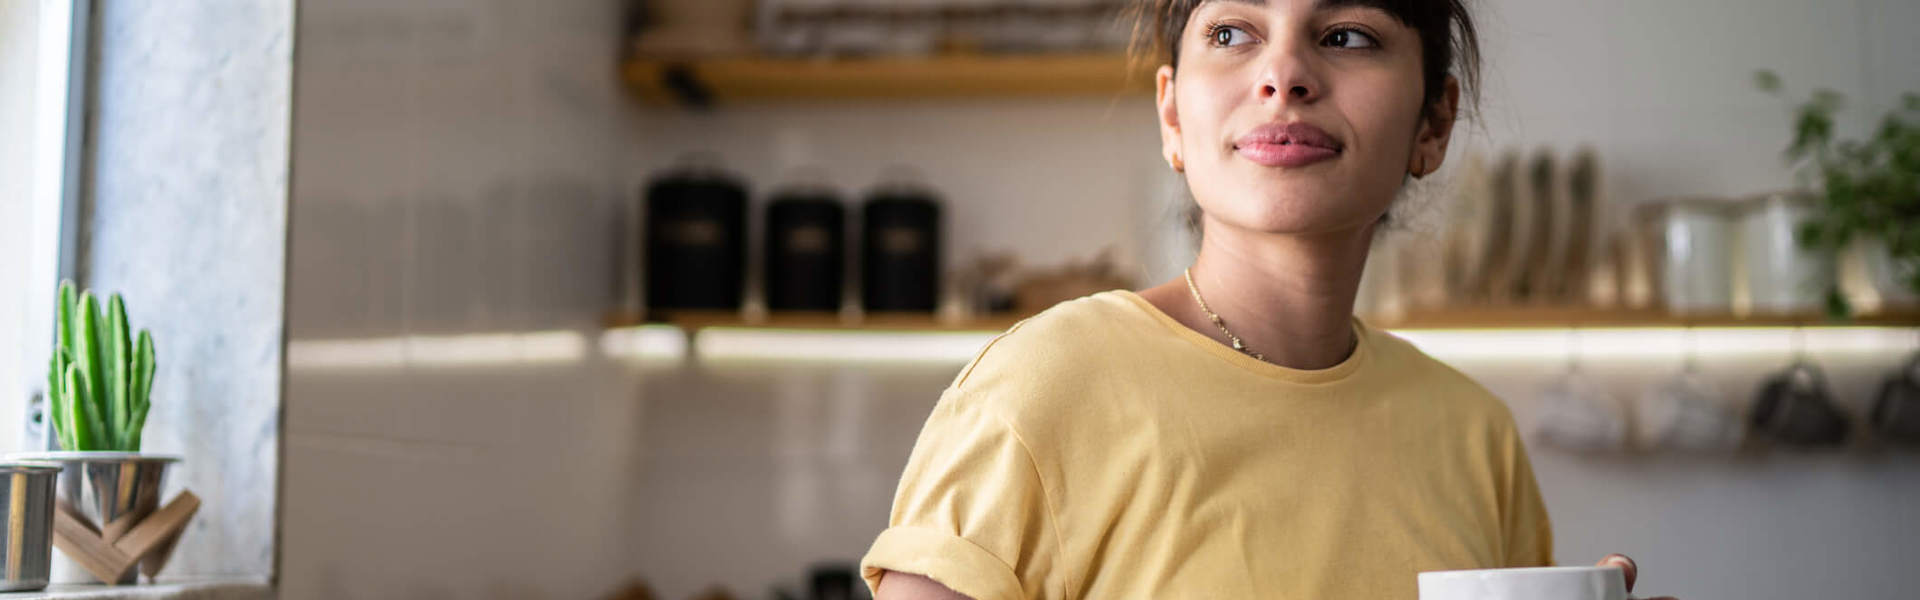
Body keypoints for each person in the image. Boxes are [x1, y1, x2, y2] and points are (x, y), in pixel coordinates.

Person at [861, 1, 1678, 598]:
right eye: (1230, 33)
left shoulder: (1476, 435)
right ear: (1173, 115)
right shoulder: (1040, 387)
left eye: (1347, 35)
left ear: (1434, 122)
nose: (1283, 75)